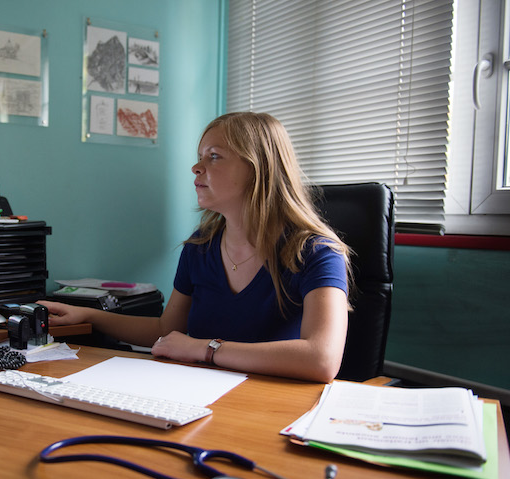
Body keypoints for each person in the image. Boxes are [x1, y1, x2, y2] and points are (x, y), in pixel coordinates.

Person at [40, 112, 352, 383]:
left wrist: (205, 349)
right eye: (200, 156)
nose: (196, 167)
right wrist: (88, 315)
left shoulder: (317, 252)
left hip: (271, 408)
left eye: (213, 156)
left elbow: (321, 359)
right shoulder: (200, 246)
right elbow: (166, 329)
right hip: (200, 395)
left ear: (257, 168)